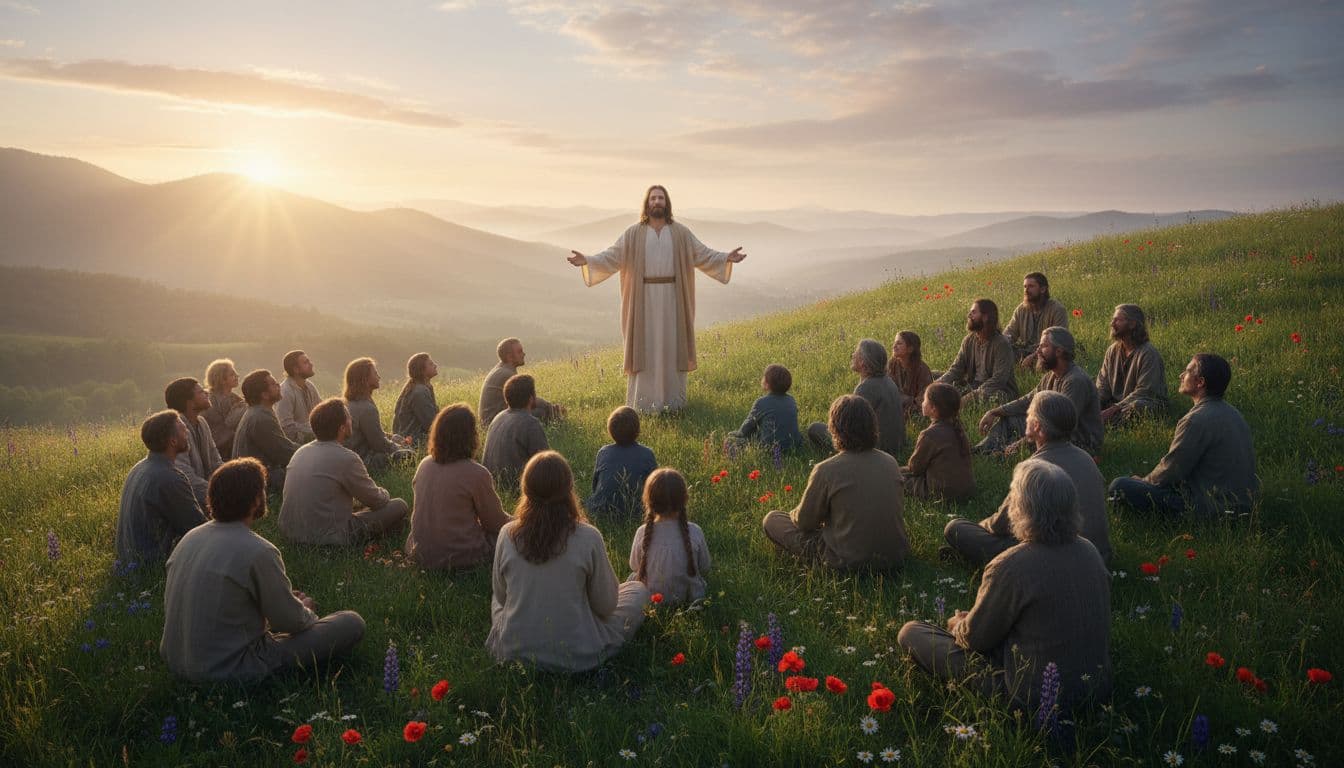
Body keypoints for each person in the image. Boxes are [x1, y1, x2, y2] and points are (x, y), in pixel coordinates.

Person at [898, 460, 1112, 711]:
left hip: (1034, 698)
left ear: (1020, 509)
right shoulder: (1090, 552)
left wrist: (959, 624)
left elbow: (975, 640)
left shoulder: (1011, 565)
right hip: (1097, 688)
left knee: (911, 632)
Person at [161, 458, 365, 683]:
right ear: (256, 499)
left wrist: (281, 601)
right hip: (229, 671)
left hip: (177, 662)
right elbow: (290, 623)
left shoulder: (189, 538)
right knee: (351, 622)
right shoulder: (258, 550)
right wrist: (303, 610)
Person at [566, 185, 747, 412]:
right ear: (647, 203)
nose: (657, 202)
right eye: (653, 198)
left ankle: (673, 402)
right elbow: (613, 255)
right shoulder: (633, 233)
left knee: (672, 345)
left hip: (673, 298)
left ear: (666, 203)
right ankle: (643, 404)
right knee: (645, 346)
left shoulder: (681, 232)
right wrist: (589, 260)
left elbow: (701, 253)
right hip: (643, 301)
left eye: (661, 198)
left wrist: (725, 258)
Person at [485, 451, 649, 672]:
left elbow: (502, 595)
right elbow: (607, 606)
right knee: (638, 590)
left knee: (496, 600)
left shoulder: (507, 533)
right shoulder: (588, 536)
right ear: (568, 489)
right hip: (580, 655)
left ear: (525, 489)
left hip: (514, 652)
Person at [945, 391, 1112, 565]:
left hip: (1054, 560)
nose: (1026, 418)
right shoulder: (1086, 458)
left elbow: (1001, 524)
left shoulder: (1036, 469)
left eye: (1029, 414)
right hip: (1097, 556)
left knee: (955, 528)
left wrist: (979, 528)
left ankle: (970, 553)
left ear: (1037, 426)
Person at [763, 395, 910, 570]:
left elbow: (805, 523)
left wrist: (795, 513)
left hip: (846, 561)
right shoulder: (890, 462)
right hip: (896, 557)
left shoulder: (826, 470)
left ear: (834, 429)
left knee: (772, 519)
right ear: (873, 425)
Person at [1108, 354, 1258, 519]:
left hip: (1210, 509)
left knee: (1120, 486)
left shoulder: (1195, 419)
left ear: (1200, 382)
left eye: (1186, 372)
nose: (1181, 376)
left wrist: (1143, 481)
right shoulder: (1234, 414)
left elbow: (1172, 470)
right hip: (1243, 507)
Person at [279, 398, 410, 546]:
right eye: (349, 418)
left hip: (290, 533)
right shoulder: (347, 458)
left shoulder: (301, 452)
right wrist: (384, 492)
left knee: (360, 507)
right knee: (399, 505)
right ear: (342, 428)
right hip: (328, 538)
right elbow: (377, 501)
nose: (351, 421)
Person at [406, 403, 511, 570]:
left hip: (420, 553)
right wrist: (520, 521)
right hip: (461, 558)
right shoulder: (476, 473)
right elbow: (496, 523)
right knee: (510, 536)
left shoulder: (424, 465)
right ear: (470, 436)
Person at [974, 327, 1103, 456]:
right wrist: (995, 412)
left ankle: (1003, 454)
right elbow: (1029, 400)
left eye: (1044, 346)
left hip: (1081, 443)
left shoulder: (1075, 381)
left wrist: (1024, 442)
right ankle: (981, 451)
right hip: (1056, 432)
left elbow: (1060, 426)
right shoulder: (1051, 376)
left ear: (1058, 351)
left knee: (1038, 437)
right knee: (1010, 420)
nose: (1038, 351)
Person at [115, 410, 207, 564]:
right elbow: (198, 530)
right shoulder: (170, 478)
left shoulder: (140, 467)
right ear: (173, 441)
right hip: (151, 565)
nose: (188, 432)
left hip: (129, 560)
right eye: (184, 429)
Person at [807, 340, 905, 457]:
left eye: (856, 353)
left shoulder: (865, 389)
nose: (852, 355)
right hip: (897, 444)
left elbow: (850, 428)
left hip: (875, 450)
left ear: (863, 363)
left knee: (815, 429)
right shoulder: (888, 381)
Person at [628, 468, 711, 606]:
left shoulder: (642, 532)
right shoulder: (695, 531)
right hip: (690, 598)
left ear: (648, 501)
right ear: (684, 499)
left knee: (632, 578)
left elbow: (634, 565)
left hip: (650, 600)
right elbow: (705, 566)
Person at [901, 383, 975, 502]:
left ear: (933, 409)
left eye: (925, 400)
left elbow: (915, 468)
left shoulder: (929, 435)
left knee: (894, 476)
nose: (922, 402)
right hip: (966, 490)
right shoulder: (959, 429)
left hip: (940, 493)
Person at [1096, 304, 1169, 424]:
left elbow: (1144, 392)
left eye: (1117, 320)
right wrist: (1094, 404)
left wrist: (1114, 409)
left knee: (1138, 407)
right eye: (1113, 319)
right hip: (1116, 404)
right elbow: (1103, 385)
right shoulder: (1112, 351)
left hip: (1144, 402)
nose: (1112, 324)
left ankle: (1104, 422)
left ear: (1132, 324)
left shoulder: (1148, 354)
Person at [936, 299, 1019, 404]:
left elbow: (999, 380)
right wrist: (937, 384)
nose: (969, 315)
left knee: (995, 398)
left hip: (998, 390)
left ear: (985, 317)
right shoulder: (969, 340)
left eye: (973, 312)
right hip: (973, 386)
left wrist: (971, 397)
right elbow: (956, 369)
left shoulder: (1001, 344)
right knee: (942, 386)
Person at [341, 357, 413, 471]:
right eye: (375, 373)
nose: (379, 377)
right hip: (362, 461)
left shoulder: (350, 402)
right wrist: (399, 447)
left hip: (351, 457)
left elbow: (374, 433)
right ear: (365, 379)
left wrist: (393, 438)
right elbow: (379, 444)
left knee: (397, 439)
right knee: (409, 455)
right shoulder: (366, 408)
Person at [232, 369, 298, 493]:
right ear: (264, 395)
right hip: (257, 483)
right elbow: (284, 453)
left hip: (255, 477)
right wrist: (311, 452)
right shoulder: (261, 417)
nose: (278, 385)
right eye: (273, 384)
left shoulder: (257, 412)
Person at [587, 406, 658, 518]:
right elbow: (656, 488)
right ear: (638, 430)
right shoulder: (647, 454)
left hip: (601, 509)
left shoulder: (603, 452)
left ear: (610, 430)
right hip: (637, 511)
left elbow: (595, 485)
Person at [482, 374, 550, 487]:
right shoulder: (531, 423)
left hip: (492, 484)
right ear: (531, 398)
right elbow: (546, 465)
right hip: (516, 487)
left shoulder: (498, 417)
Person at [164, 376, 223, 507]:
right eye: (201, 392)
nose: (207, 393)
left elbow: (216, 461)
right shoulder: (176, 430)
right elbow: (186, 477)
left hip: (205, 495)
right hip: (185, 502)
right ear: (189, 402)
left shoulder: (202, 423)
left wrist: (230, 480)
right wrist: (221, 494)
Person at [479, 338, 563, 427]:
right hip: (492, 422)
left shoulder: (502, 368)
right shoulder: (507, 374)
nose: (523, 354)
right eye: (519, 352)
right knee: (541, 413)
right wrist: (552, 408)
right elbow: (528, 399)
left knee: (540, 410)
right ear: (509, 357)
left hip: (492, 418)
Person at [728, 364, 803, 452]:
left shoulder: (761, 402)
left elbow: (748, 426)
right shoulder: (791, 399)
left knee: (730, 440)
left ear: (767, 384)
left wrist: (737, 434)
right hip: (794, 445)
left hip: (770, 448)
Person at [1003, 272, 1069, 367]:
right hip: (1026, 351)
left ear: (1043, 289)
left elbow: (1058, 340)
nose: (1026, 290)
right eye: (1025, 287)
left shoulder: (1057, 310)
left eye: (1031, 286)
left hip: (1047, 352)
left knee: (1045, 362)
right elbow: (1009, 333)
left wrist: (1034, 356)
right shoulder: (1021, 309)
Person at [203, 358, 246, 459]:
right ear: (221, 379)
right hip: (218, 453)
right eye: (232, 374)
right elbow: (226, 425)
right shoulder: (208, 401)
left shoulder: (235, 398)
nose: (237, 376)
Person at [392, 352, 439, 446]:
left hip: (409, 438)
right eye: (430, 364)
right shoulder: (419, 392)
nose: (435, 365)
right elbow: (432, 424)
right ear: (422, 370)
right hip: (415, 441)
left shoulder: (419, 387)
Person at [276, 350, 321, 444]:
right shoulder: (285, 392)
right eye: (306, 362)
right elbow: (286, 427)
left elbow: (321, 411)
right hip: (297, 447)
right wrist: (313, 432)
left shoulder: (309, 386)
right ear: (296, 369)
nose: (311, 364)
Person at [888, 330, 933, 420]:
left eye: (899, 344)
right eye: (894, 343)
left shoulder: (922, 370)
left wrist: (906, 401)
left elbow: (924, 400)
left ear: (910, 349)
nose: (894, 346)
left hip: (915, 412)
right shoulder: (891, 364)